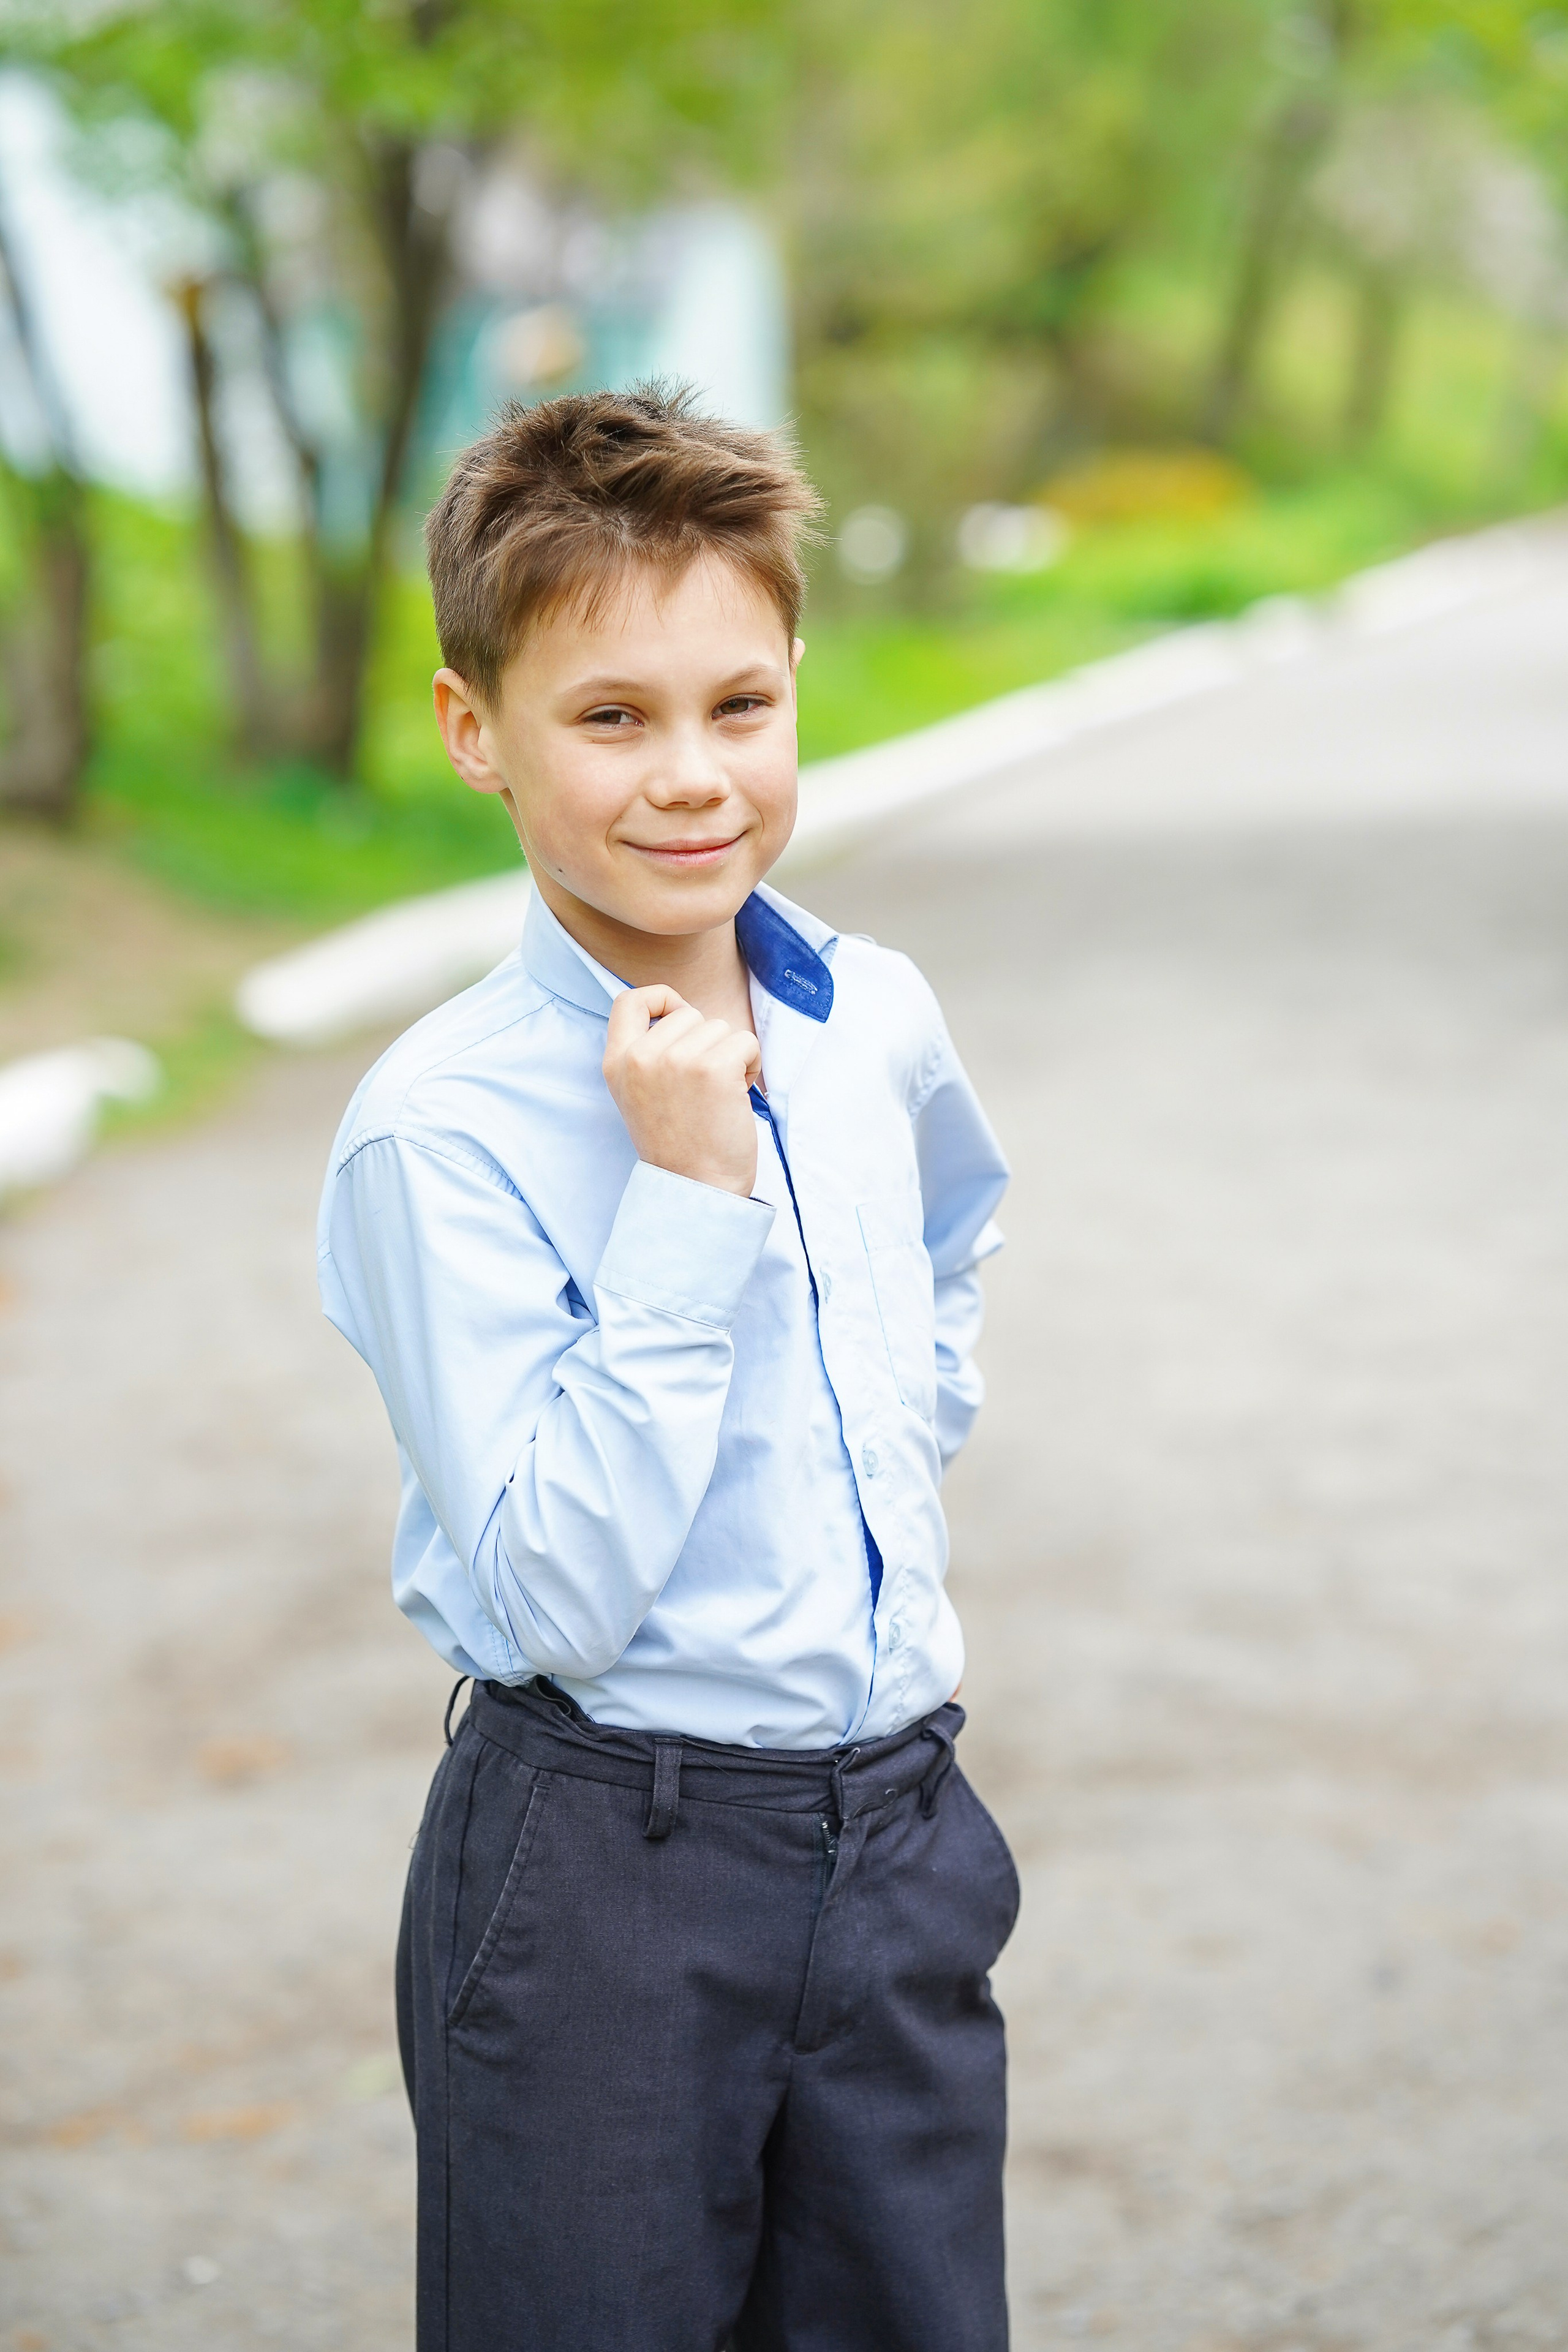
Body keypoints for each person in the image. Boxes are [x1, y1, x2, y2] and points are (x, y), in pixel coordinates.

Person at [317, 382, 1016, 2352]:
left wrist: (877, 1453)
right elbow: (555, 1585)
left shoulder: (871, 1015)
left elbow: (956, 1238)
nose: (691, 777)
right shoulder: (440, 1130)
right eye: (610, 718)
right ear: (479, 732)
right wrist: (688, 1200)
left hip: (895, 1843)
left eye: (740, 706)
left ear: (799, 679)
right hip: (608, 1878)